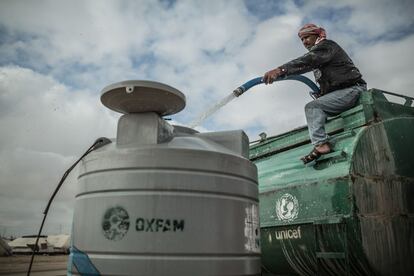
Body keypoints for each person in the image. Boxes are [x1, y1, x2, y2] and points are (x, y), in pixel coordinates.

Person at [263, 23, 366, 164]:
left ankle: (321, 144)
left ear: (318, 35)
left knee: (313, 107)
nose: (305, 42)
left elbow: (308, 60)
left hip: (353, 89)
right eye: (302, 40)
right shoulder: (321, 55)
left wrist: (280, 70)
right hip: (344, 91)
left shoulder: (326, 46)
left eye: (307, 37)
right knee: (317, 107)